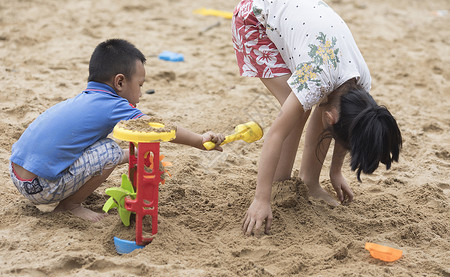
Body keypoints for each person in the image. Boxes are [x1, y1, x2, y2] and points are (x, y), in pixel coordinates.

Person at [232, 0, 402, 235]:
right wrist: (261, 199)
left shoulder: (360, 85)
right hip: (254, 20)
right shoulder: (317, 80)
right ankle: (279, 187)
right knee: (297, 113)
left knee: (308, 104)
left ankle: (309, 181)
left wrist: (335, 171)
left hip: (297, 19)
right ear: (330, 117)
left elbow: (349, 126)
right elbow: (275, 134)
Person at [9, 39, 225, 222]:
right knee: (109, 149)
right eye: (140, 85)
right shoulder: (113, 104)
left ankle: (72, 196)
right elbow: (156, 128)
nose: (141, 93)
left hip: (19, 175)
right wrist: (199, 140)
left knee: (101, 147)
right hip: (41, 187)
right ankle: (70, 205)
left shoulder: (85, 99)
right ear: (120, 82)